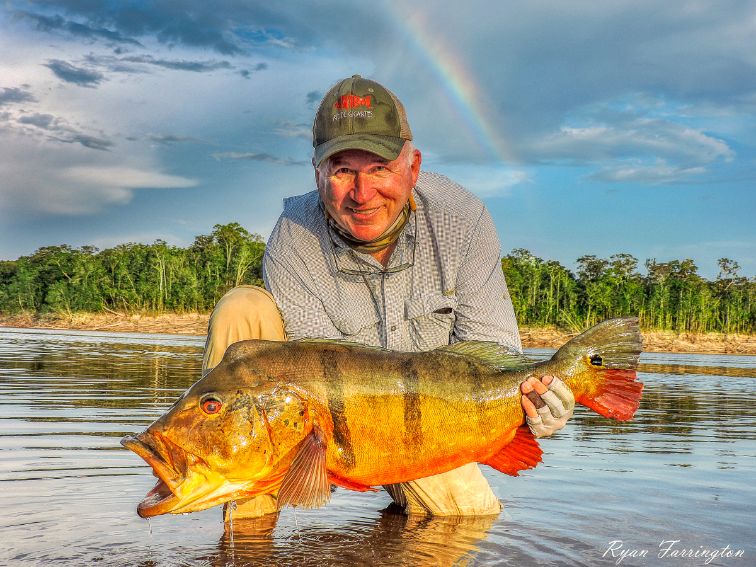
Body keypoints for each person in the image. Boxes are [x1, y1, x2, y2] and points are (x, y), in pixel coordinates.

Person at [203, 75, 574, 520]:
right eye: (343, 170)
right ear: (317, 173)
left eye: (379, 168)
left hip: (431, 417)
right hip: (326, 426)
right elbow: (317, 377)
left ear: (412, 168)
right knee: (243, 309)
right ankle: (246, 533)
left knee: (469, 519)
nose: (363, 194)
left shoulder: (463, 219)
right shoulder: (293, 235)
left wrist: (537, 407)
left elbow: (497, 356)